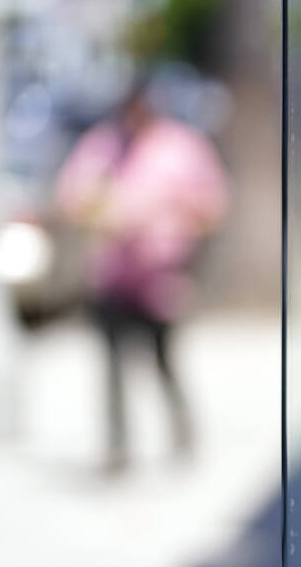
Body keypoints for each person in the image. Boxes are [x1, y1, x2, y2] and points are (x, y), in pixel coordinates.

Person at [54, 80, 229, 471]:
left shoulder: (181, 147)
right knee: (114, 368)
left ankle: (183, 435)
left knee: (164, 361)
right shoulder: (102, 145)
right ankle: (118, 449)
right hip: (112, 276)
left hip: (161, 277)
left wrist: (173, 211)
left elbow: (214, 204)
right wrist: (100, 207)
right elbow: (70, 197)